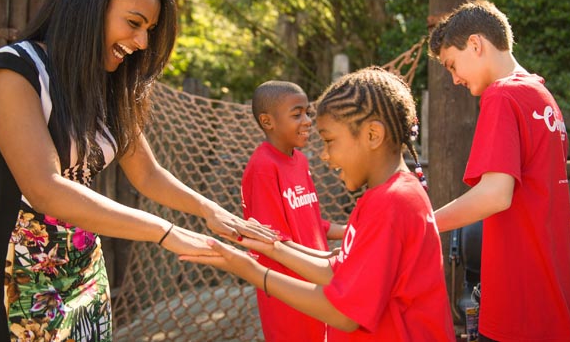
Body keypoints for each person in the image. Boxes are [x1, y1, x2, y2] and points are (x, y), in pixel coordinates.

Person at [0, 0, 276, 341]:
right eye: (134, 23)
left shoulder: (107, 86)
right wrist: (164, 231)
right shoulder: (15, 71)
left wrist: (209, 211)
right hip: (20, 275)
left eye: (148, 29)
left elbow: (146, 173)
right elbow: (44, 189)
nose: (141, 41)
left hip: (86, 272)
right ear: (90, 5)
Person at [182, 66, 455, 341]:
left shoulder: (392, 202)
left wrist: (253, 272)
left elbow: (345, 314)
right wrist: (272, 249)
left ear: (373, 135)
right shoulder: (383, 196)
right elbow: (338, 268)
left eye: (329, 141)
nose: (324, 155)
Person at [428, 0, 570, 341]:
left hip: (519, 295)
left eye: (452, 65)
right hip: (553, 282)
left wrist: (424, 224)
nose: (454, 80)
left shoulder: (501, 96)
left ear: (476, 45)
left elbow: (495, 194)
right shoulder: (540, 93)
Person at [242, 80, 346, 341]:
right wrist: (323, 261)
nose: (308, 120)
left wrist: (349, 231)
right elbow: (271, 240)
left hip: (318, 282)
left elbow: (309, 222)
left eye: (308, 112)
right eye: (297, 114)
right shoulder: (263, 166)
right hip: (288, 290)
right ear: (268, 122)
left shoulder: (299, 160)